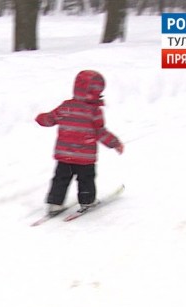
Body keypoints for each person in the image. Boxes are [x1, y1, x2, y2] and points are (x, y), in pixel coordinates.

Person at [34, 70, 124, 215]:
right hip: (85, 158)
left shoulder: (65, 106)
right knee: (86, 179)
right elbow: (100, 132)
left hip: (65, 156)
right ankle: (87, 201)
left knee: (61, 179)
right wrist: (115, 143)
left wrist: (40, 118)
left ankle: (55, 203)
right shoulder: (94, 111)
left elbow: (50, 118)